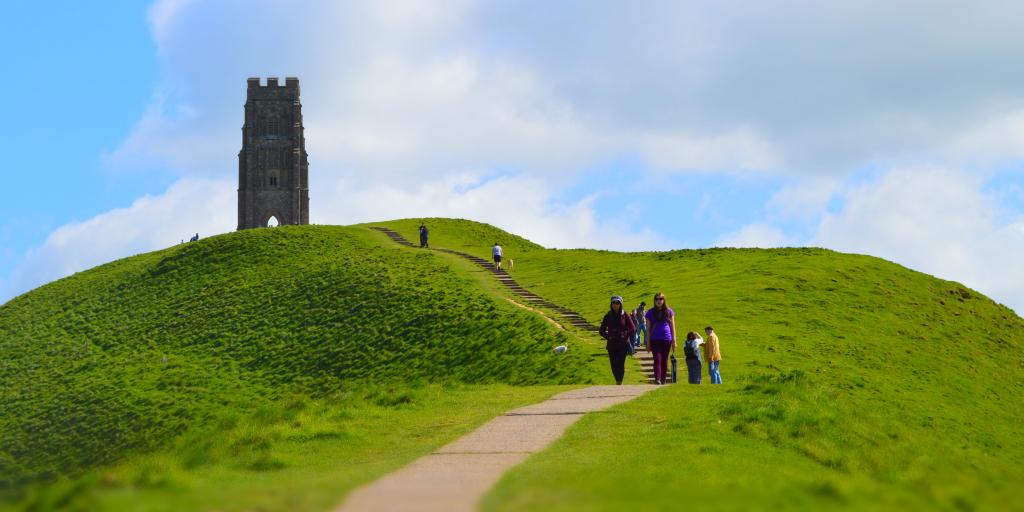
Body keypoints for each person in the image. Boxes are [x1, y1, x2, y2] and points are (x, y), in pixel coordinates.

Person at [599, 295, 636, 385]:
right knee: (613, 365)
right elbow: (601, 330)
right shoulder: (608, 315)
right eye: (613, 303)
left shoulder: (625, 315)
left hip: (622, 344)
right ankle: (617, 380)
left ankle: (619, 382)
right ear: (611, 304)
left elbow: (633, 328)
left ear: (621, 304)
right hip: (612, 345)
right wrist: (609, 337)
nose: (615, 305)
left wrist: (625, 335)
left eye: (617, 303)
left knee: (620, 363)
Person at [644, 292, 676, 385]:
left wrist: (674, 341)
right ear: (654, 301)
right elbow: (648, 329)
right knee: (657, 359)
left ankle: (663, 379)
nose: (659, 301)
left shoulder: (669, 311)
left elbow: (672, 327)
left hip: (667, 338)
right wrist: (648, 343)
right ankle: (657, 378)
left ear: (664, 300)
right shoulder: (650, 312)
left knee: (665, 359)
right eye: (657, 299)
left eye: (661, 299)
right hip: (655, 339)